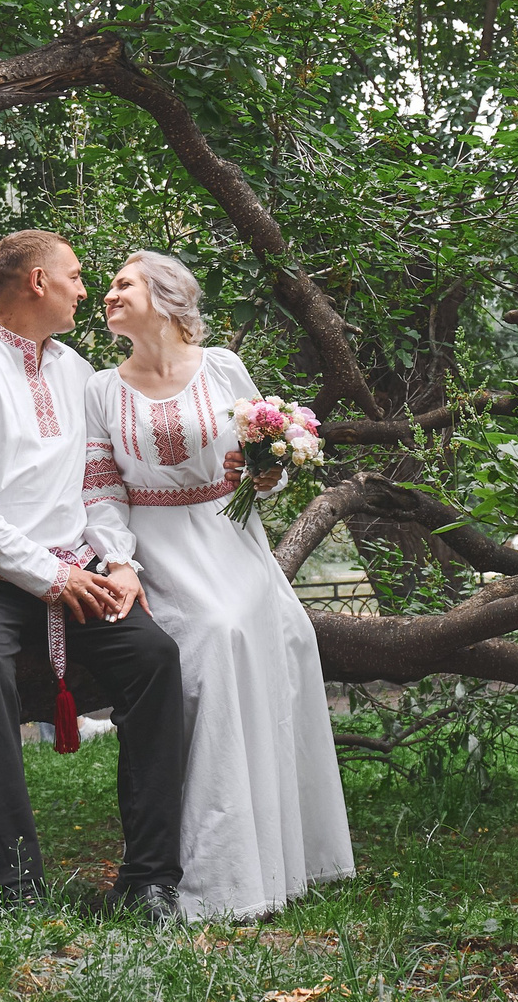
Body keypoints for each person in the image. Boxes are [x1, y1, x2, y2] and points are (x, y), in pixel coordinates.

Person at [0, 229, 190, 918]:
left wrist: (116, 560)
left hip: (72, 570)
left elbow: (96, 483)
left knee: (154, 656)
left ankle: (150, 880)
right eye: (77, 276)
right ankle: (10, 886)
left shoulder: (75, 370)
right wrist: (47, 577)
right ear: (37, 282)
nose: (86, 289)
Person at [82, 251, 354, 921]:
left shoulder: (224, 368)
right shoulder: (99, 389)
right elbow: (101, 489)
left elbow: (269, 455)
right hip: (155, 547)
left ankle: (260, 862)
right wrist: (118, 559)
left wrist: (269, 477)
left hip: (230, 538)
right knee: (212, 634)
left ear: (168, 298)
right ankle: (206, 870)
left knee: (272, 630)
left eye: (123, 283)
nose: (108, 293)